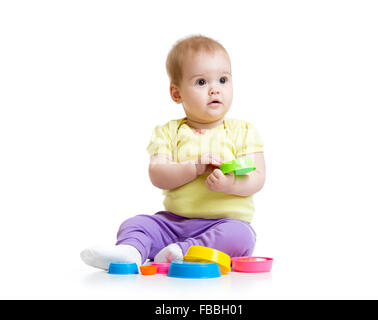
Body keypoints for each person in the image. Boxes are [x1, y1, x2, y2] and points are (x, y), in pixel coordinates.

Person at [80, 35, 266, 270]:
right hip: (174, 224)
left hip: (224, 223)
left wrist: (228, 185)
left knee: (241, 236)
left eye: (223, 79)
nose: (214, 90)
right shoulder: (168, 132)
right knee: (137, 223)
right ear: (176, 93)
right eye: (201, 82)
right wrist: (194, 168)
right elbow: (157, 174)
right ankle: (130, 251)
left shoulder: (244, 130)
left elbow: (257, 177)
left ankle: (184, 251)